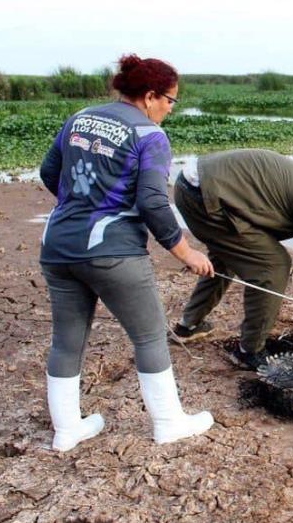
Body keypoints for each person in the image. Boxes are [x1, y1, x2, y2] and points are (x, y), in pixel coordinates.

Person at [38, 54, 214, 452]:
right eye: (170, 100)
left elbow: (50, 173)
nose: (170, 108)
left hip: (58, 247)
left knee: (67, 339)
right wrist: (186, 253)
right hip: (112, 251)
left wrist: (81, 204)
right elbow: (153, 202)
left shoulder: (79, 118)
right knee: (150, 335)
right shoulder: (150, 136)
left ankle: (67, 431)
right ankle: (169, 423)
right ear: (150, 96)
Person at [171, 149, 293, 367]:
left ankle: (187, 326)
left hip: (192, 185)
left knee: (229, 256)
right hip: (202, 195)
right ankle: (249, 351)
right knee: (274, 265)